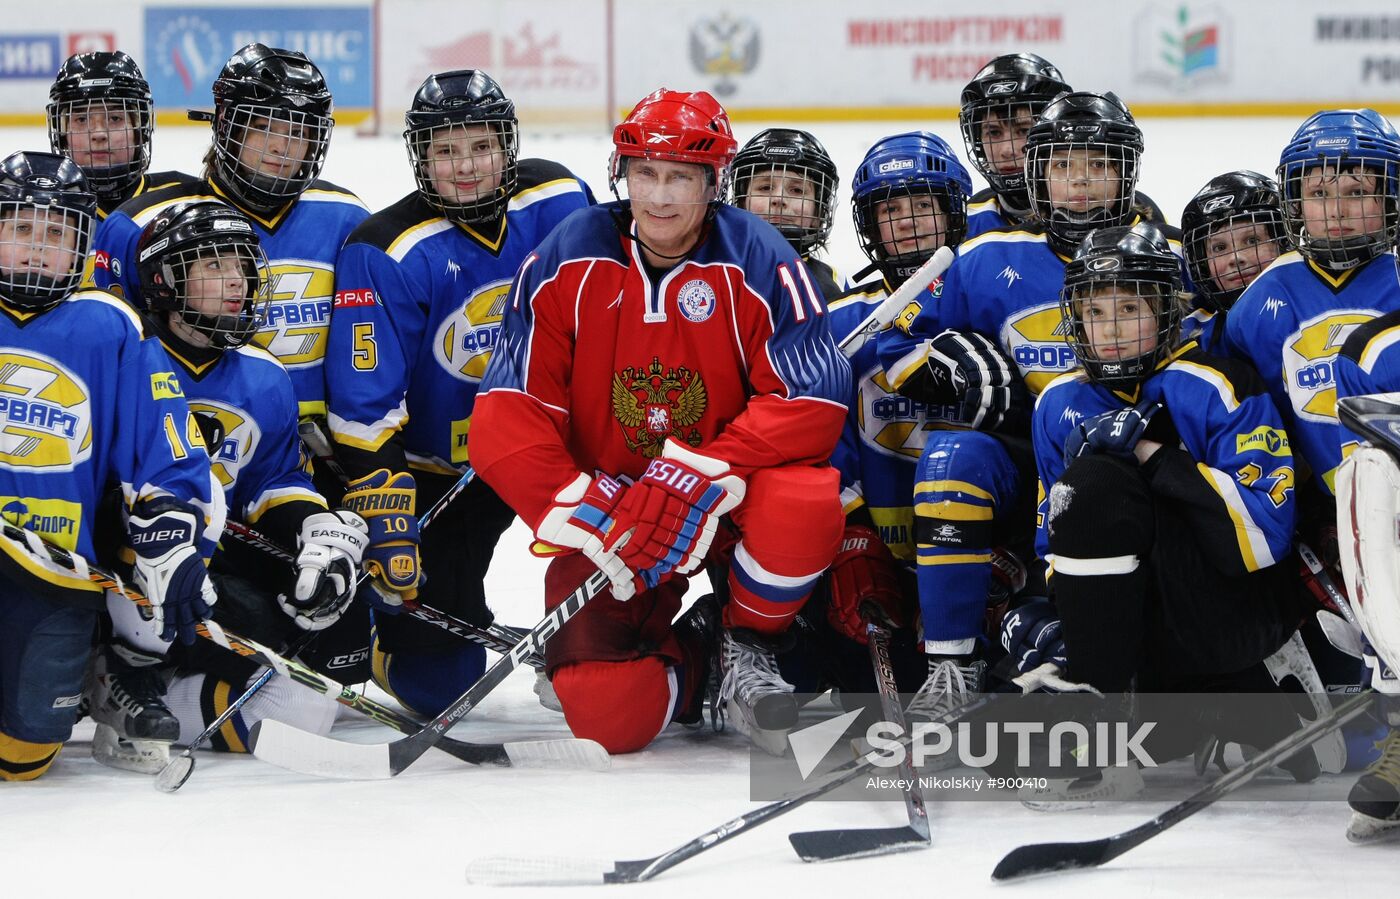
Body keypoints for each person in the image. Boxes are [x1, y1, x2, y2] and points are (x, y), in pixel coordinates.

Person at [469, 88, 850, 756]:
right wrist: (593, 510)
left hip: (730, 499)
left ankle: (745, 638)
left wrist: (700, 470)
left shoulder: (760, 259)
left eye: (682, 176)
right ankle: (702, 651)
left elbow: (812, 401)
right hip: (622, 515)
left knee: (805, 501)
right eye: (646, 173)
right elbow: (507, 414)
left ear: (713, 182)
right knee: (605, 713)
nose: (662, 196)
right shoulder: (566, 259)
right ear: (623, 174)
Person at [874, 91, 1181, 718]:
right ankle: (952, 667)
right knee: (951, 456)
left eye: (1098, 165)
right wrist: (944, 362)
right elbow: (888, 335)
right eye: (1063, 165)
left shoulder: (1164, 260)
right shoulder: (986, 259)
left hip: (1124, 471)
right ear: (1036, 173)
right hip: (1025, 460)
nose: (1080, 182)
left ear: (1127, 173)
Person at [325, 69, 594, 717]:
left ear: (508, 145)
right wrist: (387, 509)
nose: (466, 167)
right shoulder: (386, 250)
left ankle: (593, 645)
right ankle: (374, 625)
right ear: (420, 159)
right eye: (445, 151)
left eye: (481, 146)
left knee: (604, 619)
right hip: (443, 474)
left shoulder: (561, 199)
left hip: (549, 454)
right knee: (439, 681)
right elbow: (365, 403)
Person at [1027, 221, 1313, 803]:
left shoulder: (1218, 384)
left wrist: (1153, 457)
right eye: (1094, 312)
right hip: (1137, 629)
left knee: (1099, 480)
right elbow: (1054, 546)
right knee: (1015, 748)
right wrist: (1056, 631)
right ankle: (1216, 708)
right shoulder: (1057, 402)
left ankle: (1203, 694)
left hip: (1234, 613)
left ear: (1165, 310)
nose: (1110, 331)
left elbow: (1262, 542)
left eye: (1129, 308)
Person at [88, 199, 376, 771]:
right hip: (123, 565)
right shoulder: (124, 361)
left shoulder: (264, 374)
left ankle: (137, 699)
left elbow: (274, 481)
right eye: (212, 267)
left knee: (313, 689)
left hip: (211, 563)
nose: (235, 283)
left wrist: (316, 530)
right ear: (166, 281)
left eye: (241, 267)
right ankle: (118, 665)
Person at [0, 151, 221, 781]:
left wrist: (172, 536)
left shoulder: (110, 324)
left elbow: (165, 446)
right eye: (21, 230)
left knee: (24, 757)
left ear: (82, 246)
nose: (39, 250)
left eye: (56, 235)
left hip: (56, 568)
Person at [87, 43, 369, 436]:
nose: (281, 147)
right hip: (179, 440)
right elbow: (108, 357)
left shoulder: (346, 217)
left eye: (299, 132)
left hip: (324, 450)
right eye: (263, 126)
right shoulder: (140, 224)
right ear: (226, 124)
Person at [957, 54, 1165, 238]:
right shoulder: (966, 222)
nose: (1007, 150)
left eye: (1023, 131)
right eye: (993, 132)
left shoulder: (1135, 216)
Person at [47, 50, 197, 221]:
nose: (99, 134)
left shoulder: (183, 201)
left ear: (140, 130)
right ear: (62, 134)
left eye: (115, 118)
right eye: (81, 119)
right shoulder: (39, 213)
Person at [1178, 170, 1290, 351]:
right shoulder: (1192, 338)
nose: (1236, 258)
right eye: (1219, 248)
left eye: (1252, 240)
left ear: (1283, 242)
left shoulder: (1317, 306)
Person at [730, 128, 845, 300]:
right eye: (765, 188)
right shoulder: (713, 272)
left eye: (797, 190)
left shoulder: (835, 284)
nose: (778, 199)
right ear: (741, 202)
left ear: (818, 213)